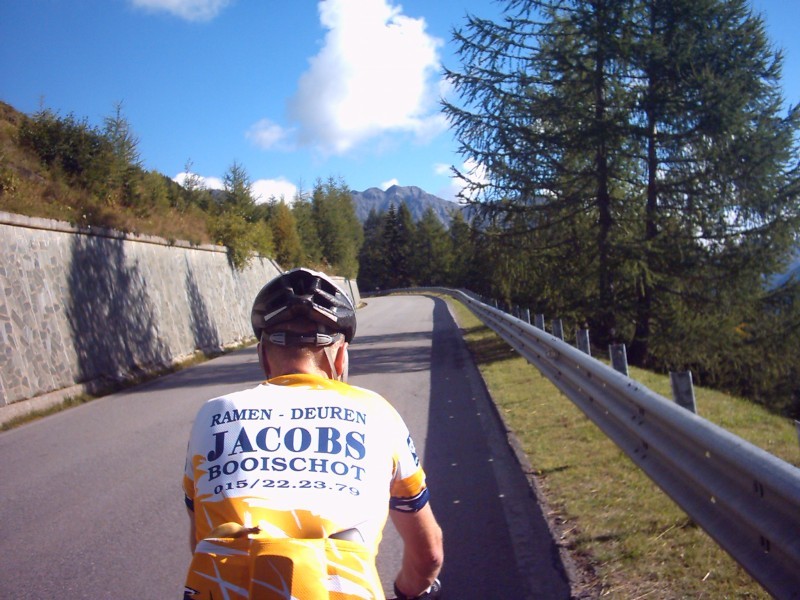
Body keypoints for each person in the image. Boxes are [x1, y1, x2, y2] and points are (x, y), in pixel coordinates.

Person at [182, 268, 443, 600]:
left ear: (263, 356)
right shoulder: (379, 413)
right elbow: (429, 554)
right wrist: (411, 591)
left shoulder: (212, 415)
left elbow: (202, 539)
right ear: (340, 358)